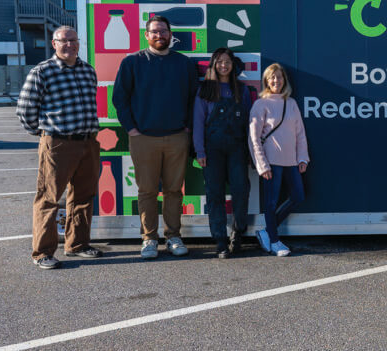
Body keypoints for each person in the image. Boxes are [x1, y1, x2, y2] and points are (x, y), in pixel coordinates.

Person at [16, 26, 103, 269]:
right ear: (54, 44)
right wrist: (43, 133)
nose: (69, 45)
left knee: (84, 196)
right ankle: (42, 253)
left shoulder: (87, 70)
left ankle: (77, 244)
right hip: (58, 142)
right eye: (63, 41)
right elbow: (25, 109)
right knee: (49, 197)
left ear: (79, 42)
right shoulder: (42, 71)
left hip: (87, 141)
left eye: (73, 40)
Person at [112, 16, 198, 260]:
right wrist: (132, 130)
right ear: (146, 35)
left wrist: (188, 129)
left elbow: (194, 99)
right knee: (147, 191)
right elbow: (120, 99)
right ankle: (149, 238)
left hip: (177, 137)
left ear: (171, 35)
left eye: (164, 31)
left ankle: (173, 236)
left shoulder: (184, 64)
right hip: (143, 138)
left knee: (173, 191)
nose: (159, 35)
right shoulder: (132, 62)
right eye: (154, 32)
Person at [193, 48, 253, 259]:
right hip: (212, 150)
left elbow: (248, 123)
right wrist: (199, 150)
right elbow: (198, 123)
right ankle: (220, 241)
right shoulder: (205, 90)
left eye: (227, 62)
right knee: (215, 194)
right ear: (213, 65)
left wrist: (250, 151)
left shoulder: (242, 90)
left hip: (237, 148)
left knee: (240, 190)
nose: (224, 66)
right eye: (219, 62)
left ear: (233, 65)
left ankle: (238, 233)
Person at [248, 63, 310, 257]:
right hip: (271, 163)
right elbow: (253, 137)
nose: (276, 81)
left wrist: (302, 157)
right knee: (271, 202)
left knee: (298, 196)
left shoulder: (291, 103)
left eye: (279, 77)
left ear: (285, 80)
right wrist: (262, 165)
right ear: (266, 81)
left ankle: (267, 231)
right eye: (272, 78)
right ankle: (274, 241)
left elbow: (300, 133)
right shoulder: (261, 104)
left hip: (291, 161)